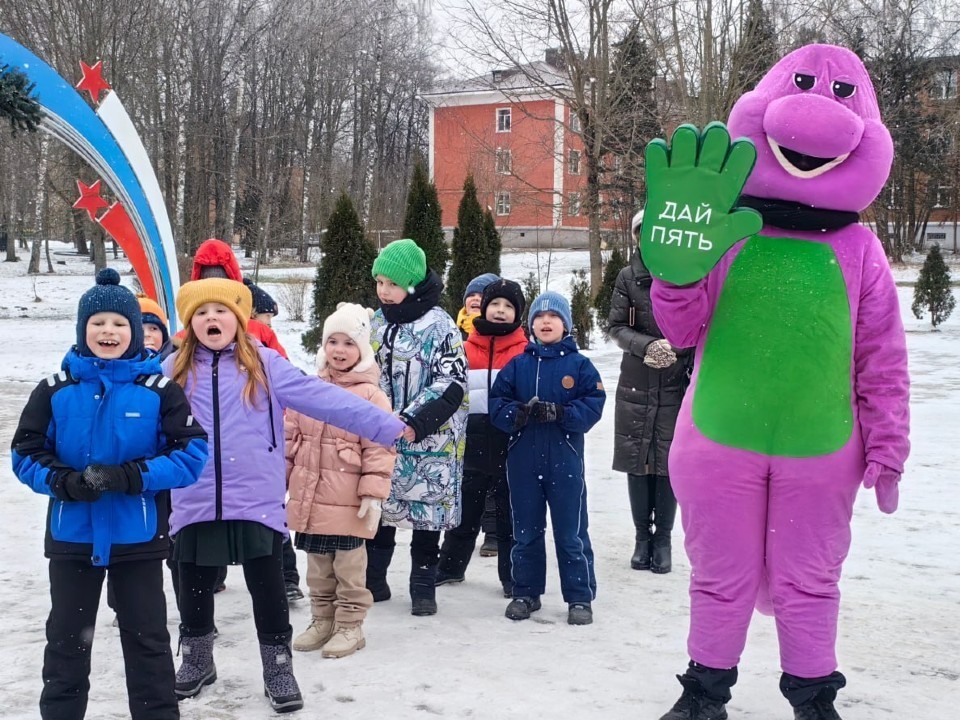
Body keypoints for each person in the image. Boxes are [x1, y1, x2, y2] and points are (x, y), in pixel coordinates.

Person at [643, 45, 910, 720]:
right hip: (719, 436)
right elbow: (682, 329)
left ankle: (813, 697)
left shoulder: (860, 250)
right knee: (719, 576)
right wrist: (675, 275)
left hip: (821, 446)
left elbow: (882, 353)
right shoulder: (728, 230)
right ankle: (705, 692)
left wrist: (888, 443)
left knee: (810, 580)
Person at [165, 278, 404, 713]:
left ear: (238, 320)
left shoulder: (265, 364)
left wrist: (385, 425)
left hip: (254, 495)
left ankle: (278, 665)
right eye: (201, 313)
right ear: (189, 323)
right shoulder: (173, 372)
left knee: (268, 585)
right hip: (195, 494)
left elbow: (324, 399)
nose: (212, 319)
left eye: (221, 311)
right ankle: (197, 659)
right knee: (194, 585)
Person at [11, 268, 208, 720]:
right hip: (72, 539)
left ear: (137, 333)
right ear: (83, 330)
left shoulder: (159, 391)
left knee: (148, 643)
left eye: (120, 324)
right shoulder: (55, 390)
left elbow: (191, 453)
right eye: (98, 322)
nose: (108, 331)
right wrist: (64, 481)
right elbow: (25, 453)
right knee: (65, 643)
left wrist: (132, 476)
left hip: (136, 540)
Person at [181, 241, 303, 599]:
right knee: (206, 518)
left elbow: (287, 381)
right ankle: (212, 579)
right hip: (202, 462)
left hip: (251, 447)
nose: (212, 316)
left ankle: (288, 578)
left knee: (264, 524)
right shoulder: (181, 349)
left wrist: (272, 421)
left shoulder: (260, 342)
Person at [286, 303, 396, 658]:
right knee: (318, 567)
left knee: (349, 568)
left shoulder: (371, 396)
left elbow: (380, 449)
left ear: (362, 350)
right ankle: (322, 619)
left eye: (349, 343)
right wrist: (278, 484)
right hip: (311, 498)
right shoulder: (308, 390)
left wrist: (373, 495)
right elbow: (289, 441)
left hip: (349, 499)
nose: (339, 350)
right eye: (332, 341)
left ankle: (350, 625)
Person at [489, 291, 606, 626]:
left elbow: (594, 402)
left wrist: (562, 413)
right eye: (539, 317)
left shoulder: (579, 365)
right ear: (531, 325)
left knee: (571, 532)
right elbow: (497, 401)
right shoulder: (518, 364)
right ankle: (525, 592)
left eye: (553, 316)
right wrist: (517, 414)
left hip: (564, 461)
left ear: (565, 324)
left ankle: (580, 597)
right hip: (523, 461)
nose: (545, 322)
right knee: (525, 531)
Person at [366, 238, 468, 616]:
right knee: (380, 508)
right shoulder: (375, 323)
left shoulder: (439, 325)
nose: (384, 291)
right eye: (379, 283)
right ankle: (373, 579)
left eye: (391, 283)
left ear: (411, 283)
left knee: (427, 514)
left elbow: (451, 381)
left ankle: (423, 585)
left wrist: (413, 420)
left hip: (430, 438)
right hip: (380, 435)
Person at [608, 213, 693, 574]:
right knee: (637, 461)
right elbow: (616, 327)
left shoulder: (689, 276)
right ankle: (642, 538)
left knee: (668, 462)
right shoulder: (628, 278)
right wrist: (645, 346)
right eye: (644, 234)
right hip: (636, 383)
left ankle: (664, 541)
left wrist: (675, 348)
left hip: (676, 381)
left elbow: (698, 324)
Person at [437, 279, 527, 596]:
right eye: (495, 304)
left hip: (510, 444)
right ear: (482, 308)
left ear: (517, 314)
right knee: (464, 511)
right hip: (470, 443)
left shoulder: (525, 353)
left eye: (508, 306)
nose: (500, 311)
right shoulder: (464, 350)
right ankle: (449, 567)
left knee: (508, 514)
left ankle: (512, 576)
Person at [456, 272, 501, 556]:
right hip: (463, 416)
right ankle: (460, 536)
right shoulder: (454, 332)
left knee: (494, 480)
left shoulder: (498, 331)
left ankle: (493, 532)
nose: (474, 299)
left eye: (481, 295)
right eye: (470, 294)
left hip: (492, 415)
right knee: (466, 479)